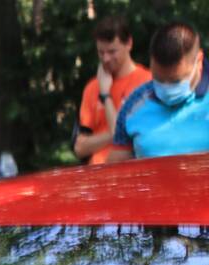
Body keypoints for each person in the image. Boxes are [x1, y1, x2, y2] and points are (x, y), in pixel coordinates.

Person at [109, 21, 209, 161]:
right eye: (159, 79)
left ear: (198, 61)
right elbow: (114, 169)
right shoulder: (133, 105)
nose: (166, 87)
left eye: (176, 81)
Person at [73, 16, 151, 164]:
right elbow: (80, 147)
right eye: (101, 53)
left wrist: (105, 95)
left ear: (128, 43)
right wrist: (114, 134)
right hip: (95, 175)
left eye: (112, 51)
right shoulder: (92, 87)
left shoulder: (147, 83)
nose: (106, 58)